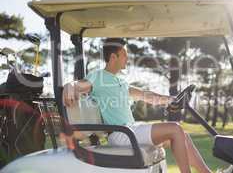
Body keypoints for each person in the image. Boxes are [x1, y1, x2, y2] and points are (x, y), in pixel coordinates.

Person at [63, 38, 211, 173]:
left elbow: (147, 95)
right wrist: (70, 85)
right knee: (175, 129)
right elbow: (80, 85)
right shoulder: (98, 76)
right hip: (121, 134)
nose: (127, 58)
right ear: (113, 57)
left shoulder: (120, 82)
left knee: (182, 135)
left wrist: (171, 99)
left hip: (130, 130)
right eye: (124, 55)